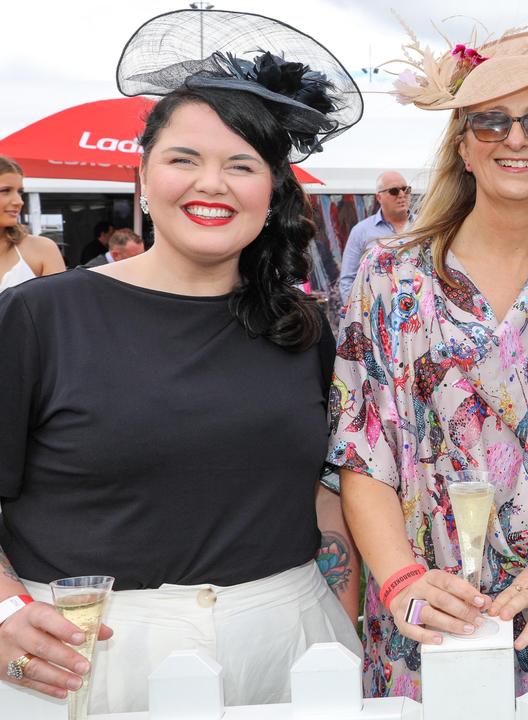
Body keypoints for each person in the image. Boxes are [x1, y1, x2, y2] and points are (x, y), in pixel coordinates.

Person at [0, 10, 363, 712]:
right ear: (143, 176)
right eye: (184, 159)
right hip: (89, 661)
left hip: (289, 654)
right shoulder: (39, 318)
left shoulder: (305, 329)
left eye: (241, 164)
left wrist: (337, 620)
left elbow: (322, 492)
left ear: (271, 191)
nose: (213, 184)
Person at [331, 21, 528, 699]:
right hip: (427, 608)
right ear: (463, 147)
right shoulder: (389, 278)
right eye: (491, 122)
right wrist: (401, 579)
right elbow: (359, 450)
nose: (516, 138)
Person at [337, 171, 413, 300]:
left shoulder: (425, 227)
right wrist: (356, 315)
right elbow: (348, 280)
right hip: (377, 312)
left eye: (406, 189)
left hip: (419, 313)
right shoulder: (361, 231)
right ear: (379, 197)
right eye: (394, 191)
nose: (402, 195)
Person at [0, 158, 65, 292]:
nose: (19, 201)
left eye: (20, 192)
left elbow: (62, 309)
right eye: (5, 191)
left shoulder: (42, 249)